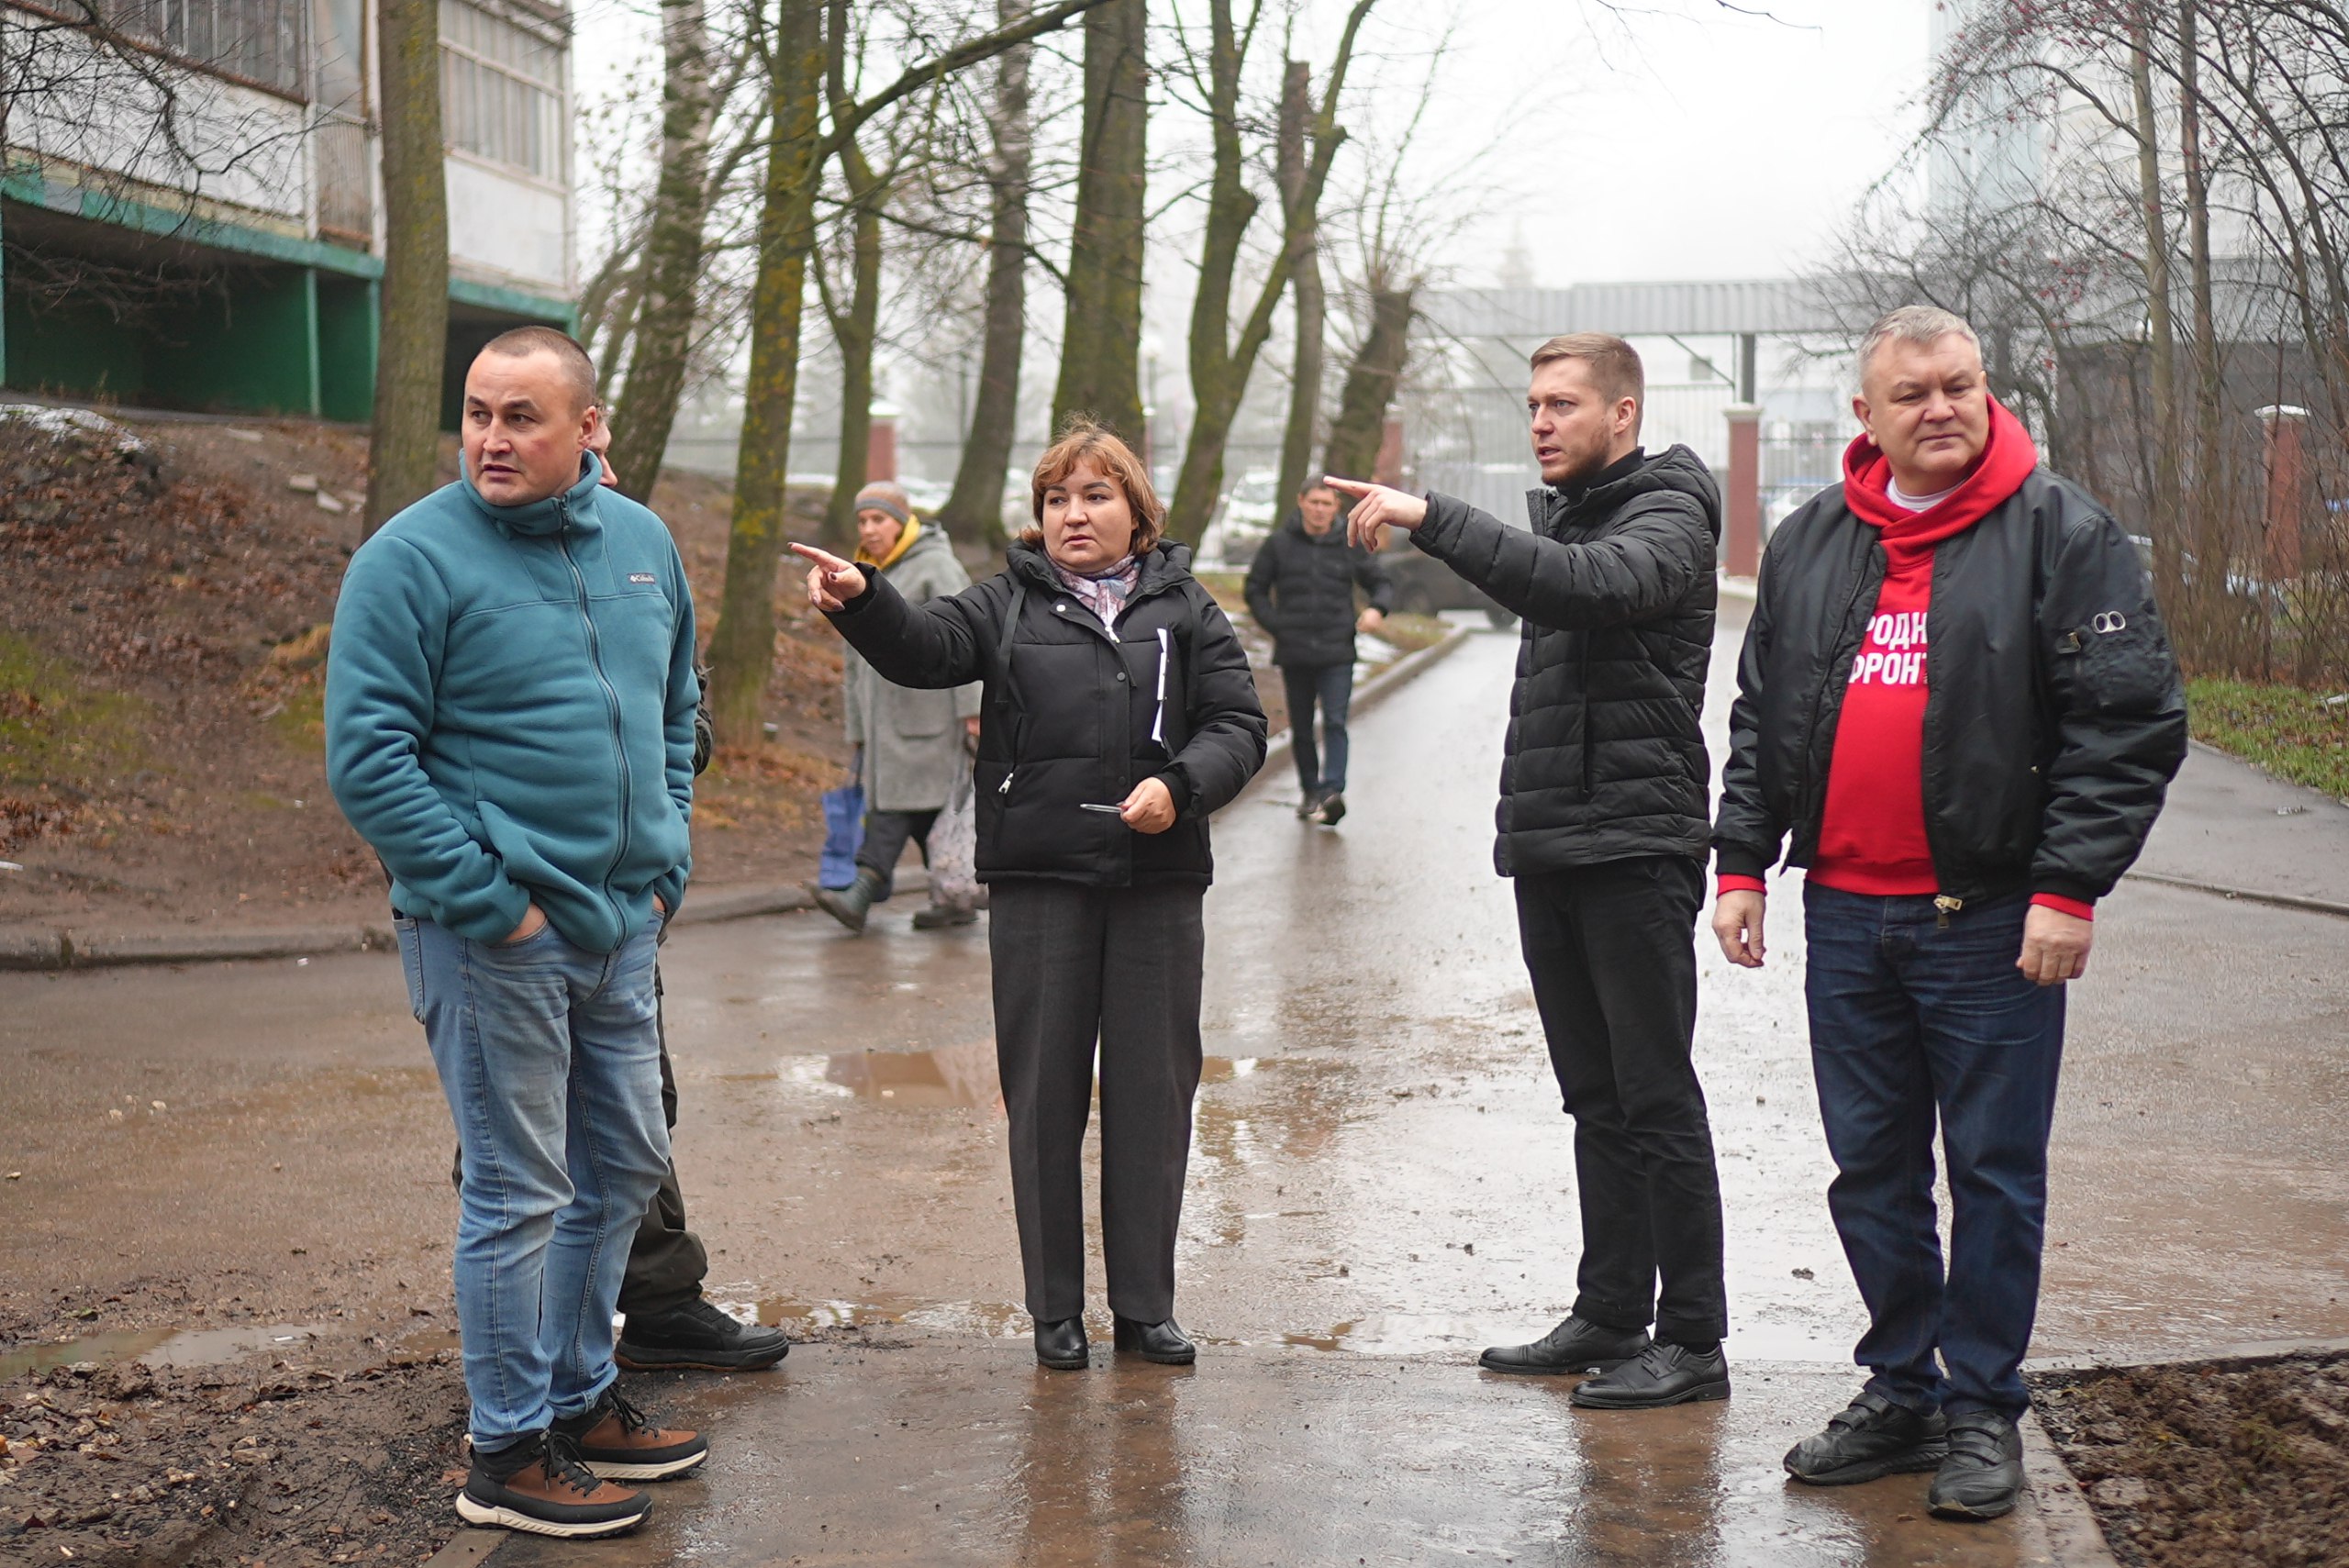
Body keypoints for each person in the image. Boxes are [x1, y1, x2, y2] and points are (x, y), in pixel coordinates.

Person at [1710, 306, 2186, 1521]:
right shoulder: (1817, 536)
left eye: (1960, 385)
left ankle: (1981, 1405)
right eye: (1913, 392)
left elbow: (2124, 723)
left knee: (1992, 1171)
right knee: (1870, 1171)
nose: (1942, 408)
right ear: (1864, 416)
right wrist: (1742, 863)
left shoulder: (2061, 534)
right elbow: (1766, 711)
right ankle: (1900, 1388)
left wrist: (2069, 885)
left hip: (1989, 923)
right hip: (1850, 919)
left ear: (1987, 390)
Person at [327, 328, 707, 1539]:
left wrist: (665, 866)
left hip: (622, 924)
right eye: (479, 414)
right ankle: (504, 1450)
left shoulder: (643, 544)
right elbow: (369, 759)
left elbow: (677, 709)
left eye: (523, 416)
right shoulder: (409, 560)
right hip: (496, 936)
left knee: (626, 1164)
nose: (491, 438)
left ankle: (580, 1398)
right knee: (519, 1189)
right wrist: (494, 900)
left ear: (589, 427)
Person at [791, 421, 1266, 1372]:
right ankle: (1055, 1309)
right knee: (1044, 1096)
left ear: (1136, 512)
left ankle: (1145, 1306)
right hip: (1041, 880)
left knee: (1152, 1095)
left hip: (1157, 882)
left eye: (1094, 496)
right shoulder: (1008, 601)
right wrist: (864, 598)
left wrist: (1179, 786)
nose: (1073, 514)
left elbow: (1238, 722)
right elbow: (926, 647)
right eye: (1056, 499)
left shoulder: (1185, 607)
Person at [1327, 332, 1731, 1411]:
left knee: (1654, 1095)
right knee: (1594, 1097)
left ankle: (1692, 1337)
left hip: (1635, 847)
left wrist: (1433, 515)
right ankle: (1611, 1309)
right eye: (1533, 405)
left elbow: (1588, 587)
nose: (1541, 421)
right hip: (1555, 843)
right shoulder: (1579, 515)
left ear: (1624, 415)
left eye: (1562, 404)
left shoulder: (1667, 513)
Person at [813, 482, 985, 933]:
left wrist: (973, 710)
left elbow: (969, 637)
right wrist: (857, 724)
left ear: (903, 521)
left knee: (896, 812)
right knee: (925, 813)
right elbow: (854, 659)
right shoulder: (865, 571)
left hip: (930, 719)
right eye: (862, 521)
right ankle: (955, 895)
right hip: (884, 725)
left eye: (878, 520)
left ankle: (862, 892)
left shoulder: (936, 567)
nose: (868, 529)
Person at [1243, 479, 1394, 825]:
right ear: (1301, 501)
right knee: (1301, 726)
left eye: (1327, 504)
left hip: (1337, 650)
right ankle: (1311, 791)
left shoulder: (1349, 543)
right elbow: (1255, 589)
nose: (1320, 509)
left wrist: (1376, 609)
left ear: (1336, 508)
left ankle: (1332, 791)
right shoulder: (1278, 545)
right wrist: (1276, 625)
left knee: (1336, 720)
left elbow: (1380, 582)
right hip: (1295, 651)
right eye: (1314, 502)